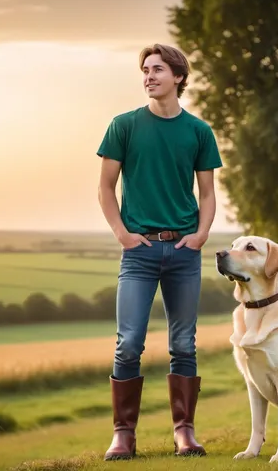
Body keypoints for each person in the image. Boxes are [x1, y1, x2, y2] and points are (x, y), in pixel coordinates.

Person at [96, 43, 222, 461]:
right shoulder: (124, 126)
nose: (148, 76)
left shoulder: (199, 132)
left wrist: (202, 235)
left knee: (184, 344)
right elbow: (104, 187)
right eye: (145, 70)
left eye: (157, 70)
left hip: (184, 251)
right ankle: (123, 435)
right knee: (128, 343)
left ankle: (184, 432)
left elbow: (207, 193)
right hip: (140, 252)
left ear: (179, 78)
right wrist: (121, 233)